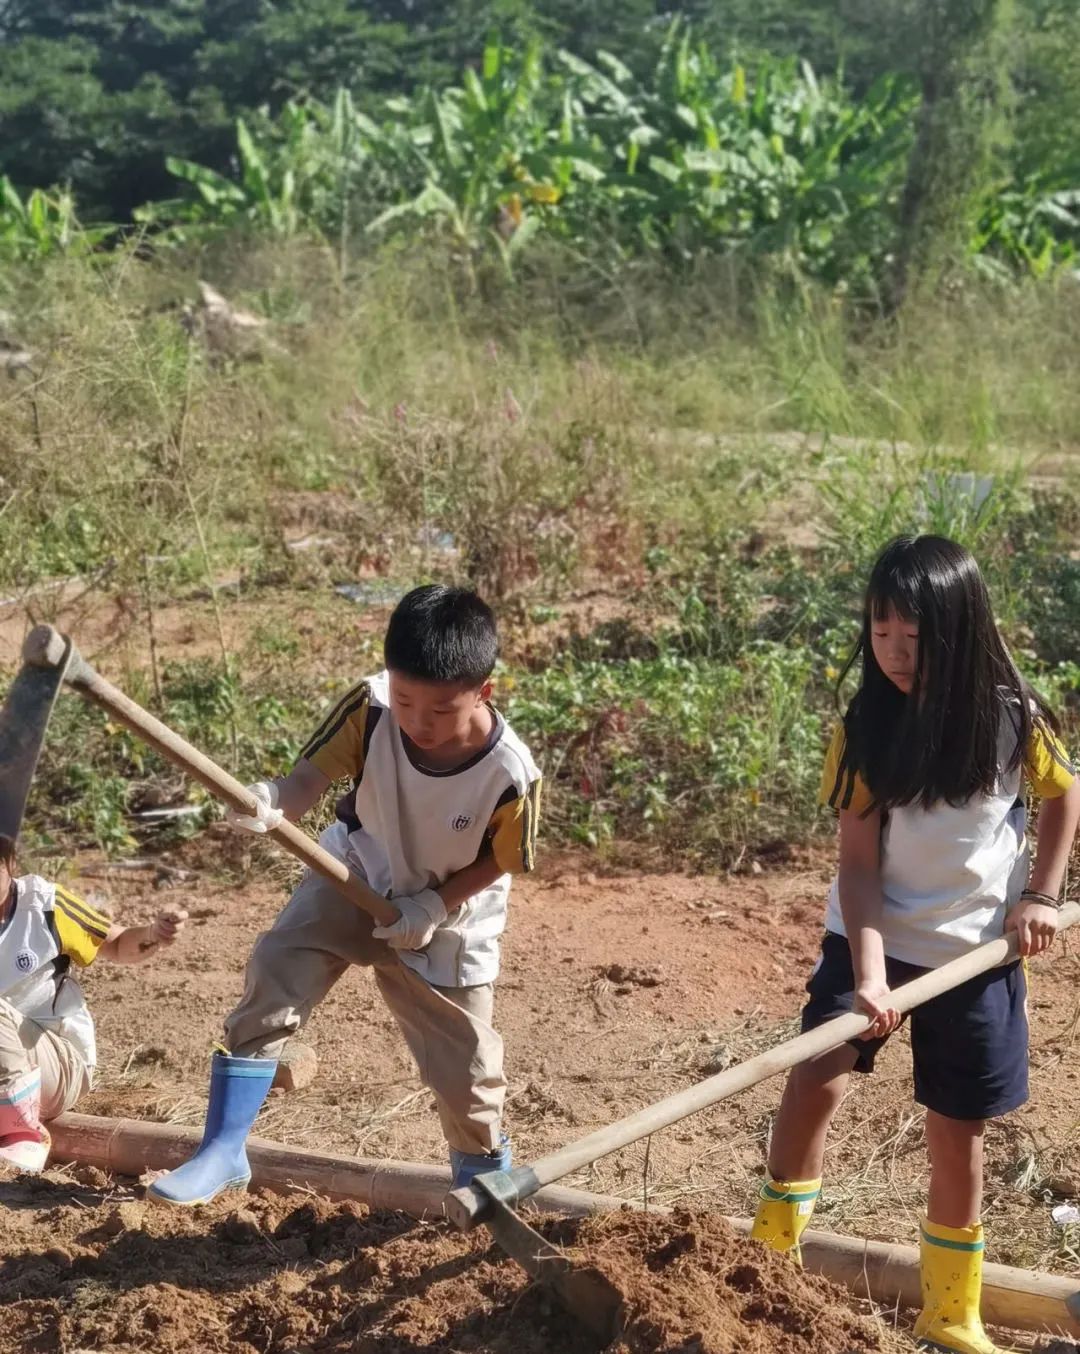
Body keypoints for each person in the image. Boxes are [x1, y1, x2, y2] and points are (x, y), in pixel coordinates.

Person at [750, 535, 1080, 1354]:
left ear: (961, 630)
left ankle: (950, 1310)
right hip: (873, 941)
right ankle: (767, 1259)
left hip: (974, 957)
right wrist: (868, 977)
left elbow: (1065, 797)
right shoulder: (866, 730)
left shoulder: (1013, 722)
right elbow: (857, 866)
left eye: (915, 635)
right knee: (814, 1082)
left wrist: (1040, 895)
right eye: (880, 630)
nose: (895, 652)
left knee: (956, 1127)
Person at [150, 584, 541, 1206]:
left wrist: (435, 906)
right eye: (406, 699)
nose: (417, 721)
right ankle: (222, 1149)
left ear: (483, 692)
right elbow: (309, 778)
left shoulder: (510, 772)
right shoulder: (371, 706)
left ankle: (482, 1185)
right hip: (354, 874)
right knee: (280, 965)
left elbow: (506, 857)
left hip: (451, 917)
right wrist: (273, 803)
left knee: (465, 1066)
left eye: (440, 711)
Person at [0, 832, 188, 1171]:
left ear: (11, 864)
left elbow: (115, 945)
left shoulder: (45, 906)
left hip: (57, 1065)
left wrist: (151, 934)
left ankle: (22, 1133)